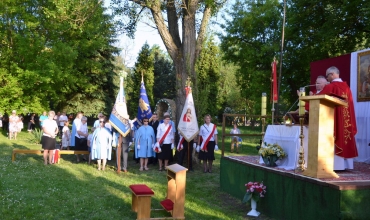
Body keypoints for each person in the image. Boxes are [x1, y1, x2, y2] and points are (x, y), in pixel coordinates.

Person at [320, 66, 358, 170]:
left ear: (332, 74)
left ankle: (336, 166)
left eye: (327, 76)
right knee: (345, 136)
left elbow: (318, 101)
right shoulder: (347, 87)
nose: (327, 79)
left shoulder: (331, 86)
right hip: (346, 120)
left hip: (335, 120)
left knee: (337, 136)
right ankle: (347, 165)